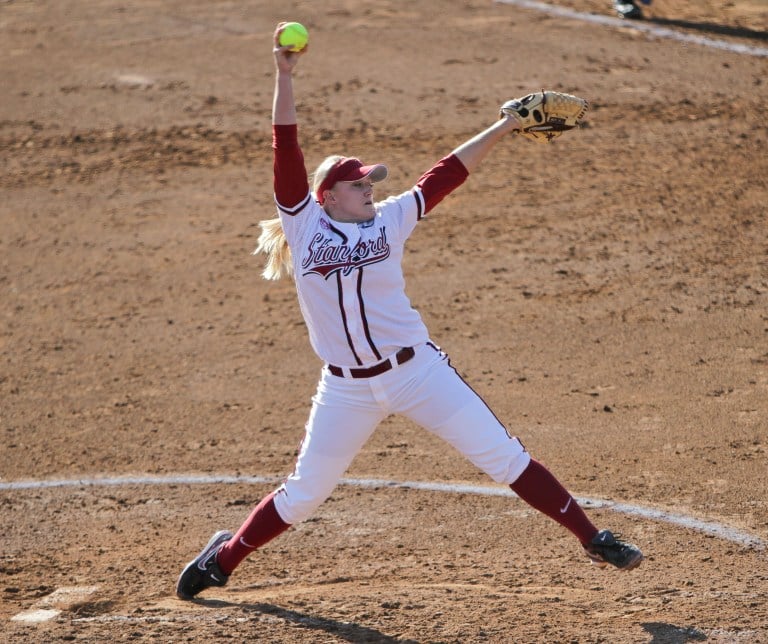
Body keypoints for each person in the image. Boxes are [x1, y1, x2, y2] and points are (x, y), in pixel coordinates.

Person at [175, 22, 644, 601]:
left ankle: (593, 538)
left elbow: (446, 172)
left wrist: (505, 123)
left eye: (371, 180)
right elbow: (286, 147)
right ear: (328, 197)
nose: (371, 187)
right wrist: (284, 75)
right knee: (303, 494)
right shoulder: (302, 224)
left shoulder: (391, 219)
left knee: (504, 457)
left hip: (417, 371)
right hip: (344, 391)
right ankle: (222, 559)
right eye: (358, 183)